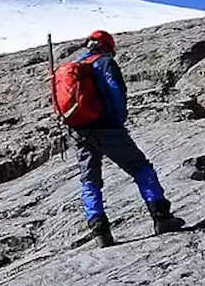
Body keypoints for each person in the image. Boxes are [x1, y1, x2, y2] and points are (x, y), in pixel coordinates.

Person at [68, 30, 185, 247]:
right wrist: (118, 120)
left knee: (89, 179)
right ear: (107, 46)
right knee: (140, 167)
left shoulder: (74, 67)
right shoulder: (105, 63)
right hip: (107, 127)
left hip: (80, 131)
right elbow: (116, 93)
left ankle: (100, 231)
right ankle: (162, 218)